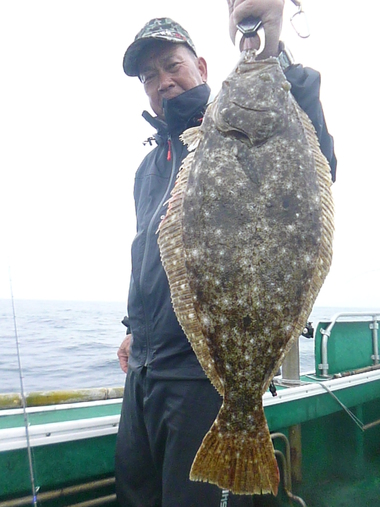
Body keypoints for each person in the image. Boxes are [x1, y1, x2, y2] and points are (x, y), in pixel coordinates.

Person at [115, 1, 337, 506]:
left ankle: (243, 416)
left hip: (200, 375)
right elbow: (149, 258)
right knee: (136, 496)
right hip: (147, 372)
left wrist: (271, 43)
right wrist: (135, 330)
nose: (162, 81)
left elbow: (317, 158)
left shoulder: (257, 127)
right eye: (150, 75)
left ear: (203, 69)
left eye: (173, 65)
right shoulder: (149, 168)